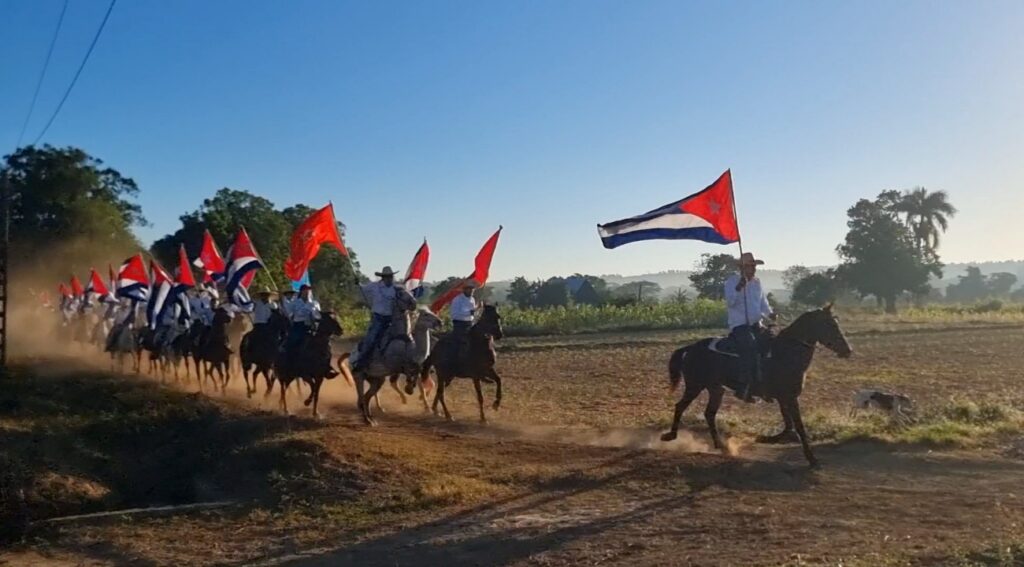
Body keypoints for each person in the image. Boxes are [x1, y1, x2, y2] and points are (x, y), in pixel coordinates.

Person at [724, 252, 775, 402]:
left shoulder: (757, 282)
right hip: (740, 325)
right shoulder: (732, 282)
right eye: (750, 266)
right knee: (750, 347)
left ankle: (766, 383)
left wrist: (770, 313)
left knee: (772, 343)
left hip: (756, 324)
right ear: (742, 268)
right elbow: (730, 303)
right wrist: (739, 287)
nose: (753, 269)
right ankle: (743, 388)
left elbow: (763, 303)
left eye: (754, 266)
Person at [352, 266, 399, 371]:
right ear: (383, 277)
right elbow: (363, 289)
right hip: (378, 318)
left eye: (391, 277)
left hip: (391, 319)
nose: (390, 279)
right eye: (387, 277)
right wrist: (358, 283)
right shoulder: (374, 286)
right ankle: (361, 362)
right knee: (371, 339)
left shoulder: (396, 289)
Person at [285, 284, 321, 356]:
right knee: (293, 339)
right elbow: (288, 313)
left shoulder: (313, 303)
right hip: (298, 326)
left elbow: (318, 315)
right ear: (301, 291)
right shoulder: (295, 303)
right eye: (305, 290)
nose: (307, 292)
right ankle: (288, 355)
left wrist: (315, 317)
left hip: (311, 326)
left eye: (308, 290)